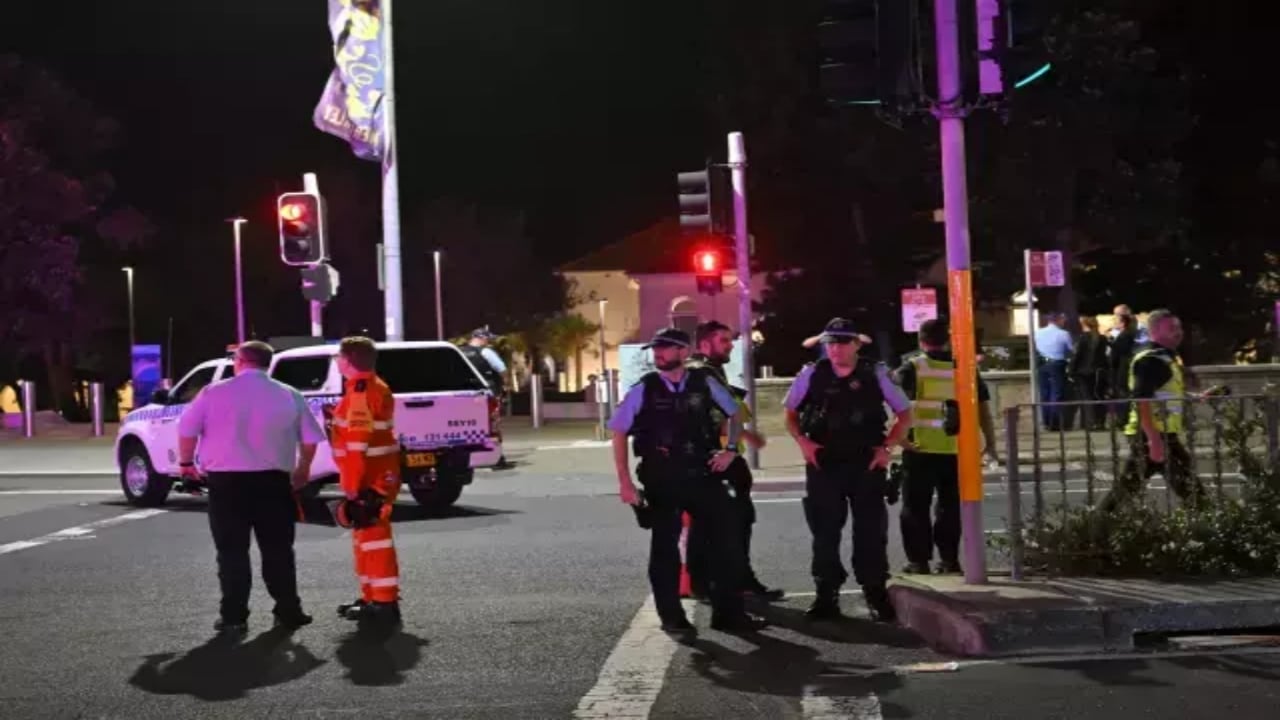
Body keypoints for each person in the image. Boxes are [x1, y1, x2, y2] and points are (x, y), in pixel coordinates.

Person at [610, 327, 765, 635]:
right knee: (665, 550)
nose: (658, 354)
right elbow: (618, 431)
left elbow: (734, 414)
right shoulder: (646, 388)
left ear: (683, 351)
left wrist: (731, 450)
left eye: (665, 349)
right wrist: (625, 483)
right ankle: (672, 617)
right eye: (656, 350)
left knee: (726, 543)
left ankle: (728, 613)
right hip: (663, 477)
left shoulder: (703, 381)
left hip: (703, 473)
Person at [176, 341, 324, 634]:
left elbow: (186, 429)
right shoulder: (289, 394)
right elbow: (309, 438)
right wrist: (303, 468)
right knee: (279, 550)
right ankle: (288, 610)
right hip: (273, 483)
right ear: (266, 363)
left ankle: (234, 617)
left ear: (241, 361)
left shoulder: (213, 392)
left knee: (231, 551)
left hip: (226, 484)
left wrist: (185, 464)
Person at [784, 318, 912, 621]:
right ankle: (826, 594)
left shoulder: (875, 373)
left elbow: (904, 413)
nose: (836, 348)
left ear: (856, 344)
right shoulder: (812, 374)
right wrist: (802, 442)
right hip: (824, 462)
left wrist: (887, 448)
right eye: (830, 342)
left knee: (870, 531)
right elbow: (789, 413)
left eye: (842, 342)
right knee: (825, 532)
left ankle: (874, 591)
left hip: (865, 462)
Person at [685, 321, 783, 603]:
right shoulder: (701, 373)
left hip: (719, 459)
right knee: (728, 524)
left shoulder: (708, 370)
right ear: (705, 343)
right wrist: (745, 440)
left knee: (719, 523)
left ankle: (711, 583)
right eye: (724, 340)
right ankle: (727, 583)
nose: (730, 345)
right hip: (717, 461)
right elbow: (715, 419)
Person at [894, 319, 999, 575]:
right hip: (957, 449)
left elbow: (898, 408)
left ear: (920, 340)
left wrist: (898, 440)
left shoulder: (912, 368)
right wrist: (991, 444)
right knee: (950, 508)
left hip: (920, 448)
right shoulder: (965, 368)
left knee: (914, 508)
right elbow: (983, 410)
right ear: (948, 340)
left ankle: (918, 562)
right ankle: (950, 561)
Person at [331, 336, 405, 627]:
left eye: (339, 357)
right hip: (376, 474)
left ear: (348, 361)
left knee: (375, 541)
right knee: (366, 540)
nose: (336, 362)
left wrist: (351, 484)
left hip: (369, 478)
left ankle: (384, 602)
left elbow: (357, 445)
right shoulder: (367, 388)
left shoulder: (361, 393)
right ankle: (372, 597)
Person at [1100, 310, 1202, 511]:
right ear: (1154, 331)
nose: (1178, 332)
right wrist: (1153, 439)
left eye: (1179, 327)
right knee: (1192, 492)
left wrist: (1194, 397)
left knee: (1126, 491)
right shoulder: (1151, 359)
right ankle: (1094, 530)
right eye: (1172, 328)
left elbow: (1163, 393)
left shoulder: (1166, 357)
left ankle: (1096, 528)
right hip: (1152, 434)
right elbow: (1142, 398)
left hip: (1161, 434)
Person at [460, 327, 513, 468]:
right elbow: (502, 369)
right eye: (488, 338)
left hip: (464, 395)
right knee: (491, 425)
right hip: (487, 394)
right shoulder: (486, 352)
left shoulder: (459, 352)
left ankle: (467, 458)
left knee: (468, 426)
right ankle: (496, 459)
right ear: (482, 338)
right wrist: (507, 385)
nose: (489, 341)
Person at [1069, 315, 1111, 430]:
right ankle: (1100, 422)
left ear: (1084, 324)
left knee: (1086, 397)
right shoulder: (1102, 338)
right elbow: (1104, 356)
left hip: (1083, 372)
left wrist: (1071, 371)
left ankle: (1090, 423)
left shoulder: (1082, 339)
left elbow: (1077, 356)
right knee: (1099, 396)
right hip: (1098, 372)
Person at [1034, 312, 1074, 431]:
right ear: (1058, 320)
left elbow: (1036, 347)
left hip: (1042, 364)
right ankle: (1055, 423)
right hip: (1057, 364)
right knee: (1056, 393)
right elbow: (1071, 349)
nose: (1064, 322)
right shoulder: (1064, 334)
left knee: (1044, 393)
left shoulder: (1038, 332)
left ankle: (1046, 422)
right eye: (1063, 320)